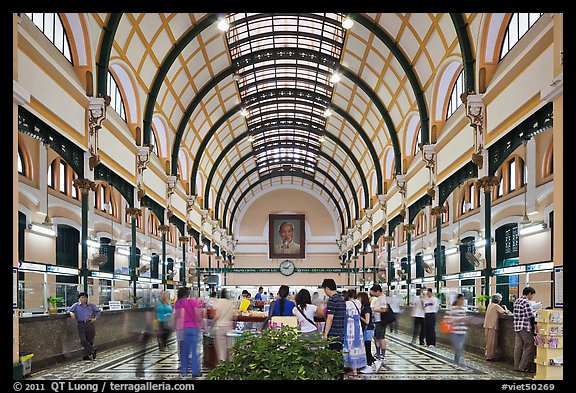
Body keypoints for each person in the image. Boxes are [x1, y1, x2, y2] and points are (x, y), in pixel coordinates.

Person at [174, 287, 205, 378]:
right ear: (187, 294)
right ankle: (195, 371)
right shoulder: (192, 301)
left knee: (184, 351)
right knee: (194, 351)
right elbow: (198, 315)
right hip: (194, 328)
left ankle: (184, 371)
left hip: (183, 329)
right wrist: (200, 323)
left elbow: (177, 316)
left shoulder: (178, 303)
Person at [68, 292, 101, 360]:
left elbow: (98, 311)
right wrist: (71, 313)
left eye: (85, 297)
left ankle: (86, 356)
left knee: (90, 340)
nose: (83, 299)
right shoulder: (76, 305)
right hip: (81, 324)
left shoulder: (91, 305)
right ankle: (93, 350)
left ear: (87, 298)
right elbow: (69, 310)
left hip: (89, 323)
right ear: (79, 298)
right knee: (83, 340)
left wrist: (95, 318)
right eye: (82, 297)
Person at [342, 289, 367, 377]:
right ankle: (356, 368)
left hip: (350, 327)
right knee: (357, 346)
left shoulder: (347, 304)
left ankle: (353, 369)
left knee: (349, 346)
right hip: (358, 326)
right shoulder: (358, 302)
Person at [513, 286, 537, 373]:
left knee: (518, 346)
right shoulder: (526, 302)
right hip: (525, 326)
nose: (532, 297)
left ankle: (516, 366)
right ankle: (522, 367)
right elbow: (530, 315)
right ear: (529, 294)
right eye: (532, 295)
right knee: (529, 345)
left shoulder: (517, 301)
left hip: (517, 326)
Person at [357, 291, 380, 374]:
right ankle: (373, 363)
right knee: (366, 348)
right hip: (366, 330)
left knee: (367, 348)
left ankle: (371, 364)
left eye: (359, 298)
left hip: (368, 330)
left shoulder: (367, 308)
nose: (358, 299)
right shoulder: (363, 307)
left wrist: (359, 317)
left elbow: (367, 321)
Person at [445, 294, 469, 370]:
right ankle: (457, 363)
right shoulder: (451, 309)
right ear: (457, 300)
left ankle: (458, 363)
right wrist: (456, 320)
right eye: (461, 299)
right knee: (458, 347)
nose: (462, 301)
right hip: (454, 331)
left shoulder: (463, 310)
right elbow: (447, 320)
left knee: (460, 347)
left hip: (462, 331)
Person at [321, 278, 346, 353]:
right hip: (341, 334)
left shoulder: (332, 300)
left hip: (332, 335)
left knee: (331, 358)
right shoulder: (341, 300)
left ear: (327, 288)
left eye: (324, 289)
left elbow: (330, 318)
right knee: (338, 356)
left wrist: (325, 334)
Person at [483, 293, 509, 361]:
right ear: (498, 300)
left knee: (488, 342)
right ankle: (490, 356)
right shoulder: (496, 306)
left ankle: (488, 355)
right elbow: (505, 312)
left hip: (487, 324)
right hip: (492, 325)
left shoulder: (490, 305)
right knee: (491, 342)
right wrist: (505, 307)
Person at [213, 288, 235, 362]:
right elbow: (234, 316)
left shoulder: (218, 302)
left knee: (221, 349)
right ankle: (231, 365)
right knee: (230, 347)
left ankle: (222, 366)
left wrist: (213, 321)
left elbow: (217, 315)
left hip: (219, 327)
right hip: (229, 326)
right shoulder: (231, 303)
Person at [370, 284, 388, 362]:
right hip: (377, 320)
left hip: (381, 321)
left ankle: (383, 355)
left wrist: (374, 310)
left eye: (374, 292)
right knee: (376, 337)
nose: (373, 294)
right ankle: (378, 353)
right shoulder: (379, 298)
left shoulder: (382, 298)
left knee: (381, 338)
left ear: (377, 291)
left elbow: (384, 309)